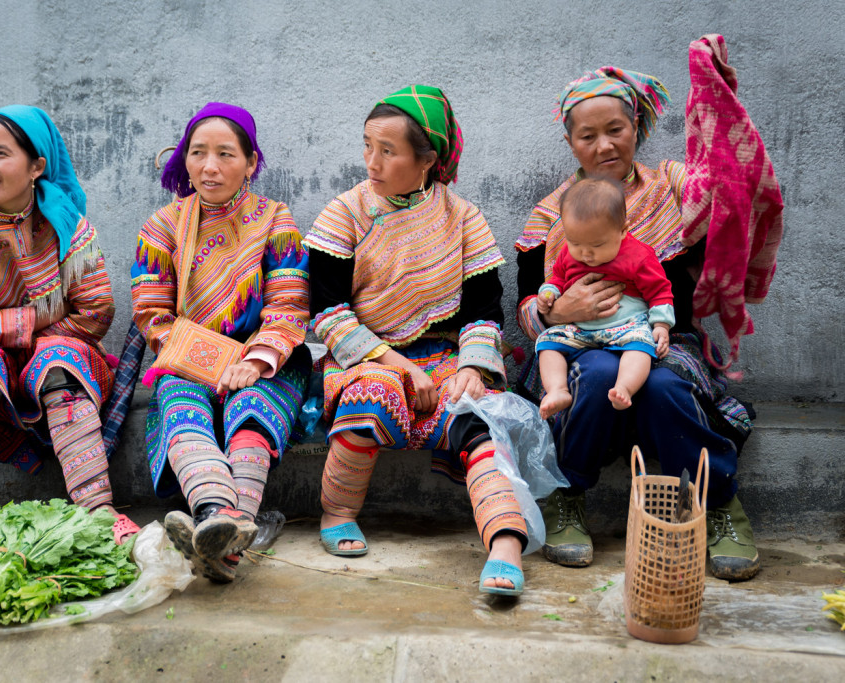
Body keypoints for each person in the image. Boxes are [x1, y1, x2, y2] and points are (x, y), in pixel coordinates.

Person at [515, 67, 760, 580]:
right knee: (600, 377)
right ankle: (567, 494)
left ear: (637, 126)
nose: (604, 145)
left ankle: (717, 502)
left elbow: (731, 196)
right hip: (577, 344)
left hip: (662, 338)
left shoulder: (672, 189)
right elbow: (526, 305)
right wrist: (558, 312)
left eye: (616, 130)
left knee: (662, 387)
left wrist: (719, 111)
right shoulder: (550, 215)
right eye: (588, 136)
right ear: (570, 142)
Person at [305, 85, 528, 596]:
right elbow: (329, 313)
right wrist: (400, 367)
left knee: (477, 413)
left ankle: (505, 543)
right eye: (367, 146)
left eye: (388, 151)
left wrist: (472, 368)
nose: (371, 162)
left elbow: (483, 309)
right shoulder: (345, 213)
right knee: (370, 399)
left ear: (427, 159)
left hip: (445, 354)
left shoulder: (463, 218)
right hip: (365, 354)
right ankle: (337, 512)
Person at [0, 105, 138, 544]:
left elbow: (95, 314)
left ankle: (96, 509)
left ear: (37, 166)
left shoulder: (68, 227)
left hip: (56, 349)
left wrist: (36, 342)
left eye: (1, 154)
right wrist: (43, 317)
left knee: (60, 365)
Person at [132, 103, 310, 583]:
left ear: (251, 162)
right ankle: (221, 518)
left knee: (250, 415)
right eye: (198, 153)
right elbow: (151, 312)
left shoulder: (276, 220)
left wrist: (253, 360)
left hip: (268, 359)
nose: (210, 167)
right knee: (183, 411)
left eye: (226, 154)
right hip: (187, 359)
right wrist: (210, 362)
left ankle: (216, 540)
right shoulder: (163, 226)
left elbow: (289, 305)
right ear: (185, 159)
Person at [537, 176, 674, 419]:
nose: (585, 254)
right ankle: (557, 390)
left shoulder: (638, 256)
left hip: (627, 325)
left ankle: (624, 388)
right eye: (575, 242)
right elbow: (558, 277)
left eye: (597, 245)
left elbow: (659, 291)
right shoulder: (570, 253)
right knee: (547, 344)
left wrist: (661, 325)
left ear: (622, 230)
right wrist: (549, 293)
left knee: (641, 348)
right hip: (579, 328)